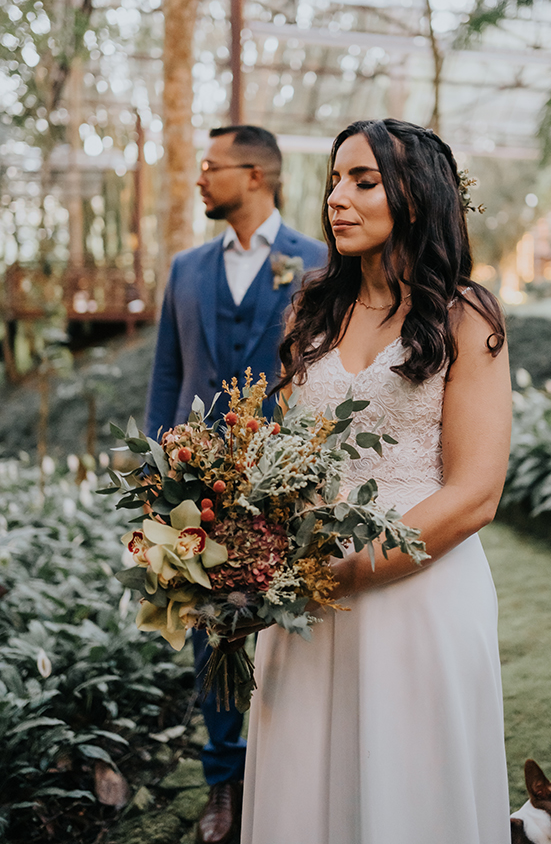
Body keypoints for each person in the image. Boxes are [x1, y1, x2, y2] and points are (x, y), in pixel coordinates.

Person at [240, 118, 513, 844]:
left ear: (414, 198)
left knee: (410, 793)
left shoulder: (463, 314)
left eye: (362, 182)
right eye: (334, 179)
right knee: (306, 787)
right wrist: (246, 547)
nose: (338, 197)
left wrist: (354, 570)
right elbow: (289, 456)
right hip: (306, 595)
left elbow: (477, 491)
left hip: (419, 589)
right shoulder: (309, 308)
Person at [144, 124, 327, 844]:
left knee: (296, 633)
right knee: (212, 638)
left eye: (211, 167)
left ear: (256, 176)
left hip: (288, 490)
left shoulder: (318, 262)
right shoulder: (186, 269)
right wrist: (160, 476)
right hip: (198, 490)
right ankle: (224, 785)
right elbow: (166, 372)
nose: (199, 178)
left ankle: (293, 776)